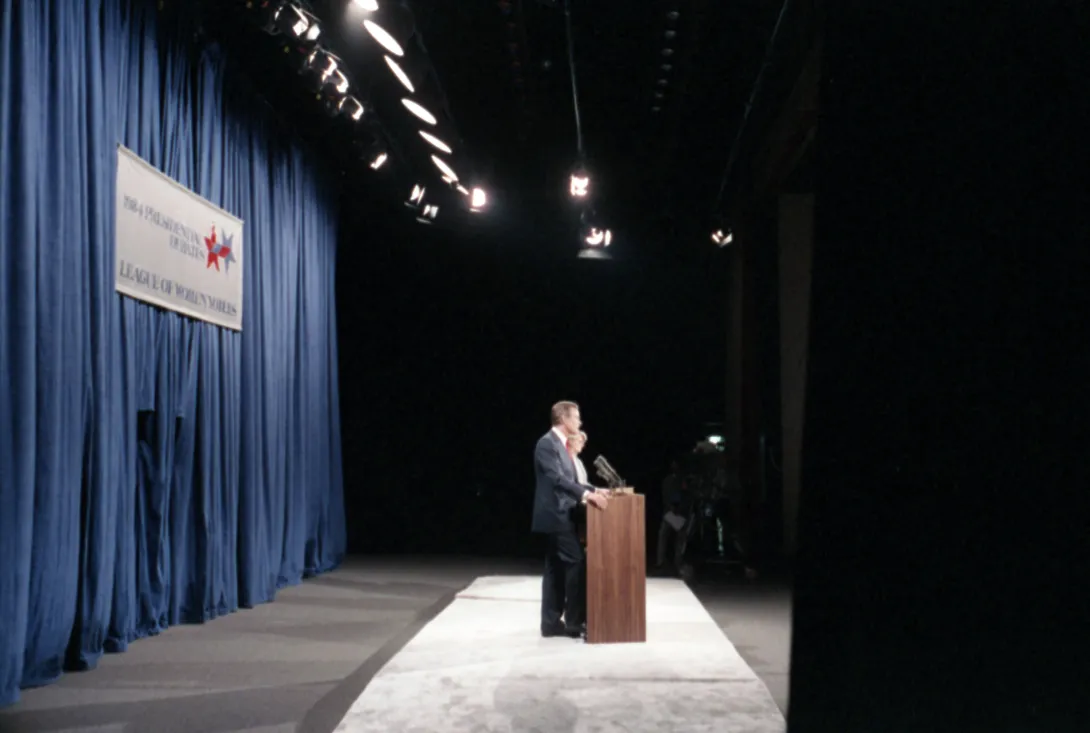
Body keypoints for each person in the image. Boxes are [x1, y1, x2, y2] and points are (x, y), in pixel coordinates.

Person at [531, 401, 608, 638]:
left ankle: (550, 624)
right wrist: (587, 495)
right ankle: (574, 623)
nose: (579, 422)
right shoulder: (547, 444)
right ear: (563, 419)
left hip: (563, 515)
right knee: (575, 562)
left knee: (554, 569)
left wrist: (596, 489)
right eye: (576, 418)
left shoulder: (561, 446)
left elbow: (571, 479)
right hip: (556, 516)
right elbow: (556, 479)